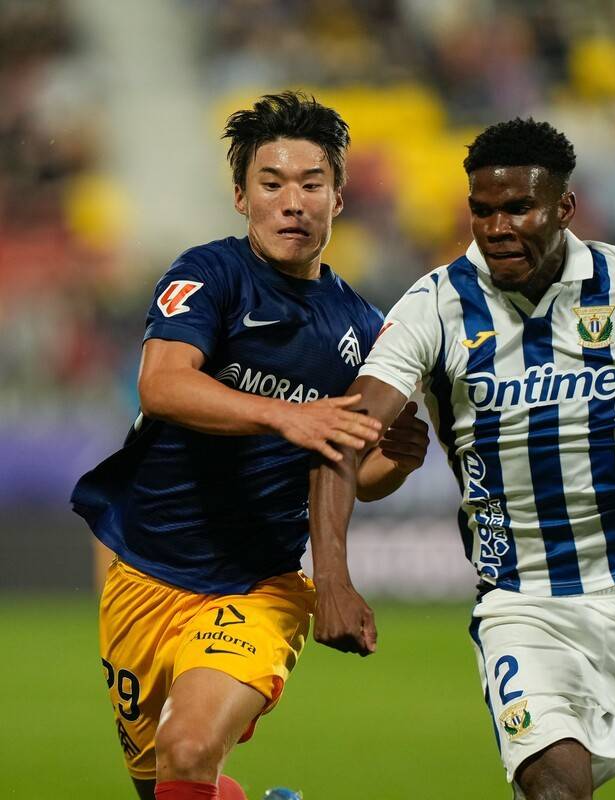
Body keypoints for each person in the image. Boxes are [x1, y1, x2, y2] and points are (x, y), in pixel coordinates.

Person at [71, 91, 428, 800]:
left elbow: (354, 470)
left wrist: (394, 462)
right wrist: (286, 417)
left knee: (190, 745)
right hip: (143, 573)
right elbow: (162, 385)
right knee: (166, 782)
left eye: (312, 185)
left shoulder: (363, 327)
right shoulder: (210, 274)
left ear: (339, 199)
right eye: (272, 184)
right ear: (241, 197)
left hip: (257, 585)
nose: (293, 203)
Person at [309, 118, 615, 800]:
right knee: (553, 790)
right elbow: (343, 435)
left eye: (518, 208)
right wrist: (332, 578)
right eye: (482, 211)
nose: (497, 228)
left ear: (565, 207)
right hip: (523, 605)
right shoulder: (437, 304)